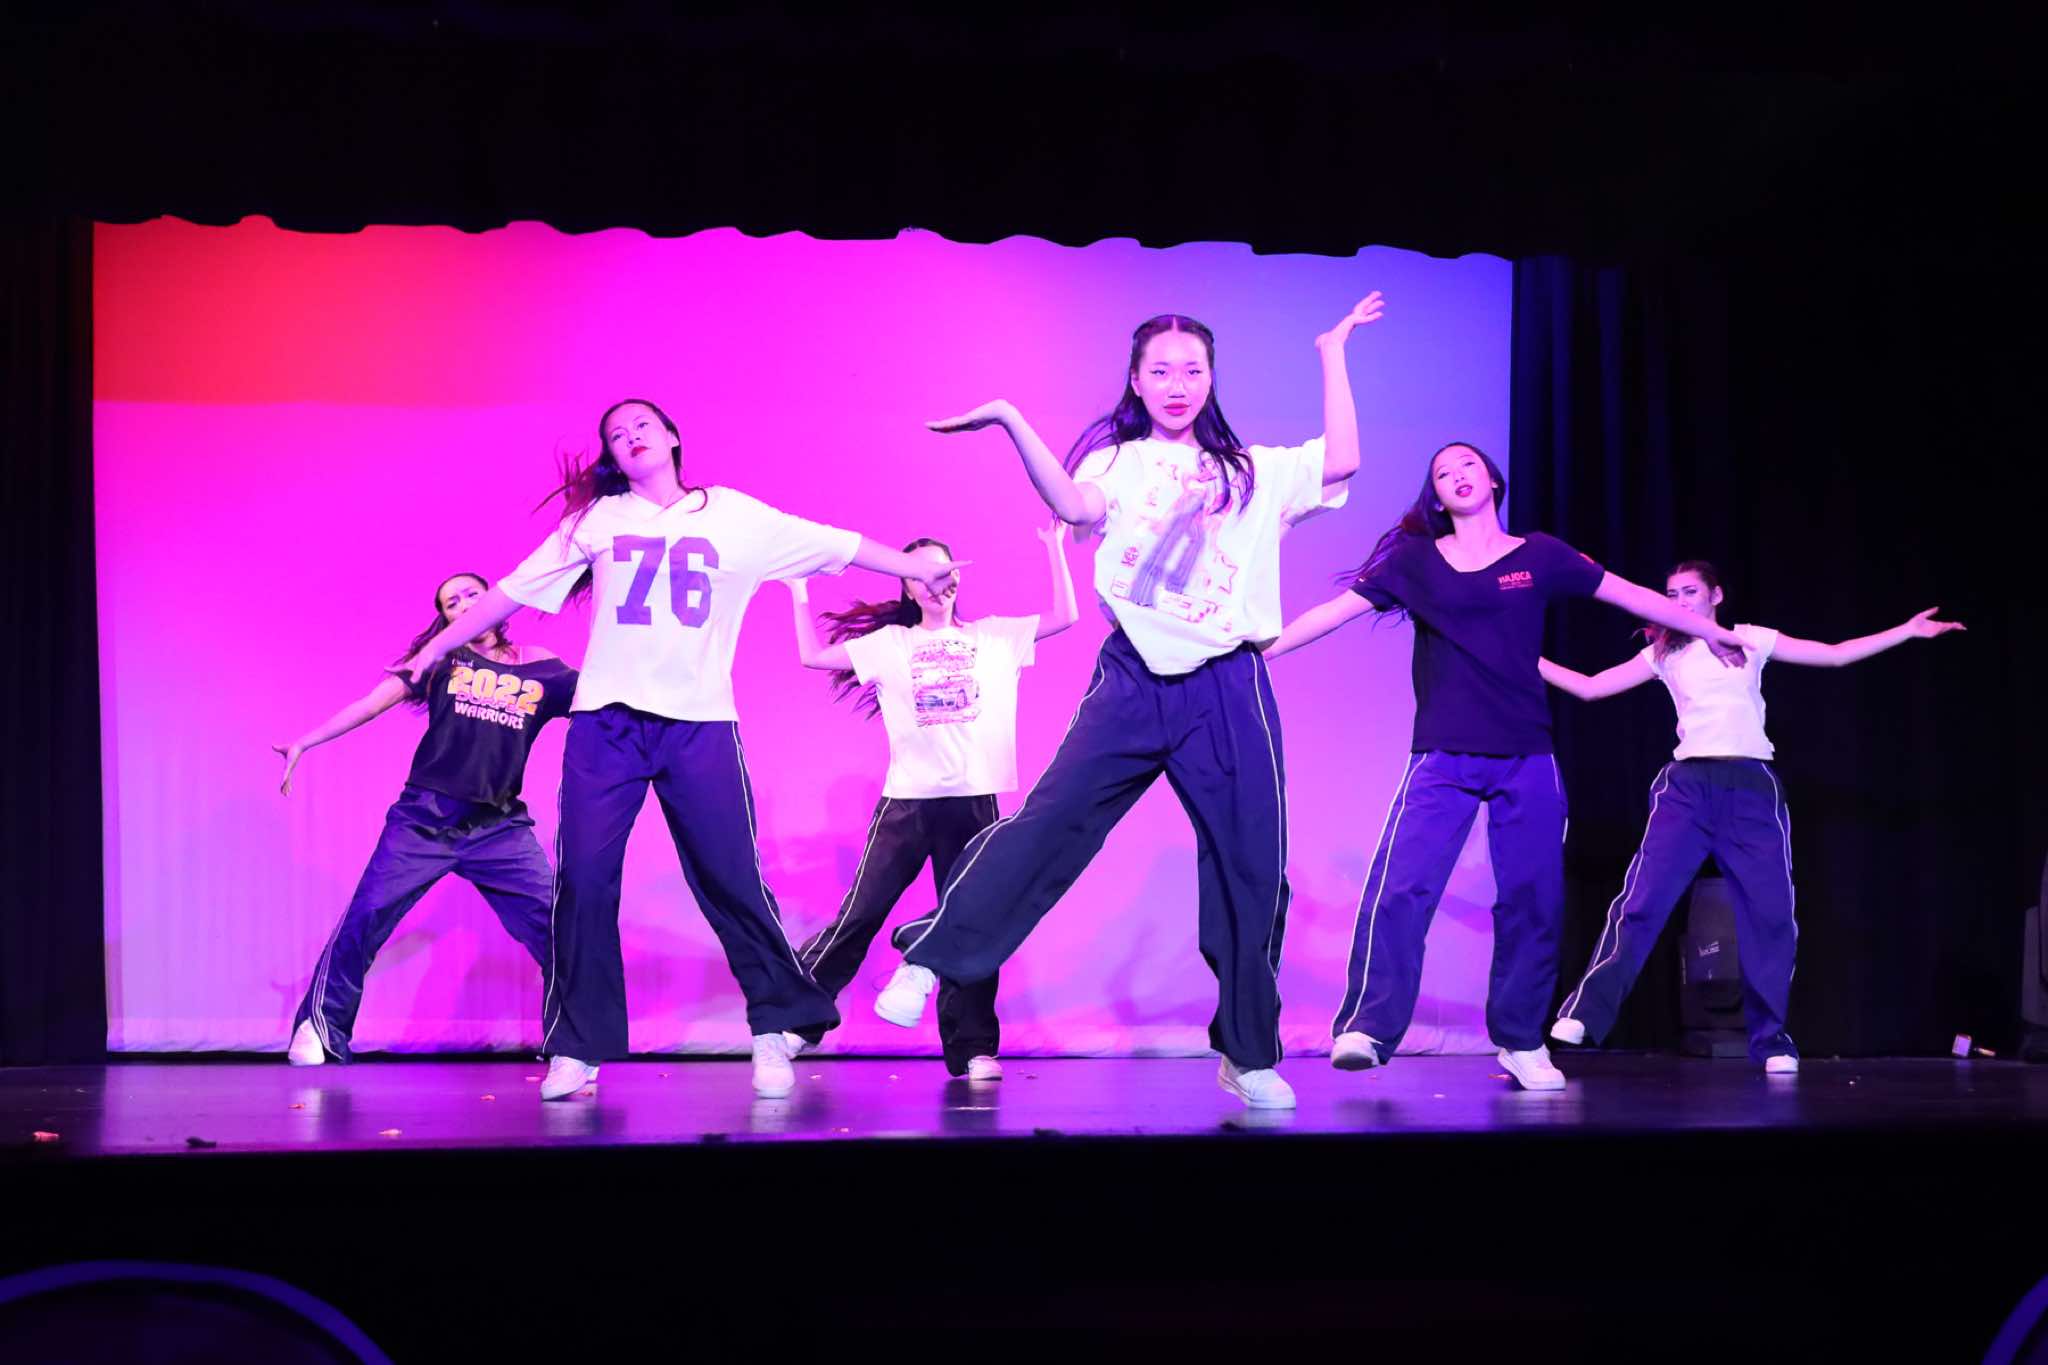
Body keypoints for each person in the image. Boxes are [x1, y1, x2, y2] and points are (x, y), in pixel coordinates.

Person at [879, 295, 1386, 1111]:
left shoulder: (1252, 470)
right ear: (1137, 381)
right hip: (1133, 678)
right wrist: (1011, 418)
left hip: (1228, 682)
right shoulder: (1117, 462)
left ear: (1211, 378)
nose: (1177, 384)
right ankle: (932, 953)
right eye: (1161, 371)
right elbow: (1073, 506)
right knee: (1050, 822)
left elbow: (1344, 460)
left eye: (1192, 370)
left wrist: (1333, 349)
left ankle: (1249, 1054)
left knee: (1253, 867)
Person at [395, 398, 963, 1100]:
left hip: (699, 724)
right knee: (584, 881)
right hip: (606, 725)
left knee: (731, 879)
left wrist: (911, 566)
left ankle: (776, 1028)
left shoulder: (733, 515)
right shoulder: (597, 521)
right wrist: (438, 647)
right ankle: (577, 1047)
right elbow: (508, 592)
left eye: (642, 424)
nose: (630, 435)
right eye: (616, 434)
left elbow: (837, 544)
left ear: (671, 437)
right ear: (613, 455)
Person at [1265, 443, 1756, 1091]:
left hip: (1527, 754)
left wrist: (1711, 630)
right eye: (1443, 473)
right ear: (1437, 497)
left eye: (1467, 465)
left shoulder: (1539, 555)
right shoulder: (1416, 561)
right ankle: (1369, 1027)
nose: (1457, 475)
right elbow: (1334, 612)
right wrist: (1259, 650)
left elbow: (1630, 594)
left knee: (1533, 899)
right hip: (1443, 753)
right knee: (1404, 886)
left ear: (1493, 480)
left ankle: (1521, 1040)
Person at [1542, 560, 1964, 1072]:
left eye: (1690, 592)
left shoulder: (1749, 638)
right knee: (1642, 901)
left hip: (1750, 786)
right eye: (1671, 594)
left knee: (1770, 915)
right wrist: (1522, 658)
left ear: (1715, 595)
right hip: (1687, 787)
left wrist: (1906, 631)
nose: (1679, 602)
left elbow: (1833, 655)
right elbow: (1590, 687)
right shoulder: (1663, 652)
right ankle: (1584, 1012)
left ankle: (1772, 1041)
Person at [779, 519, 1078, 1078]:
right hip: (908, 804)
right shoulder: (891, 645)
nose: (936, 581)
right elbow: (813, 656)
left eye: (943, 569)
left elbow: (1066, 616)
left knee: (974, 920)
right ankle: (793, 1022)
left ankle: (974, 1047)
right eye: (920, 574)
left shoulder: (994, 637)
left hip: (975, 803)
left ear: (958, 576)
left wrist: (1054, 548)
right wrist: (798, 592)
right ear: (906, 587)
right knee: (860, 914)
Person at [277, 572, 575, 1065]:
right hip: (423, 821)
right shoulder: (440, 658)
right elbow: (370, 705)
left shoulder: (540, 665)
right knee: (366, 916)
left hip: (498, 829)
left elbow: (598, 699)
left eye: (472, 594)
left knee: (560, 930)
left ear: (495, 599)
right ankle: (319, 1025)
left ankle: (571, 1042)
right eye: (451, 603)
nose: (463, 605)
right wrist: (305, 742)